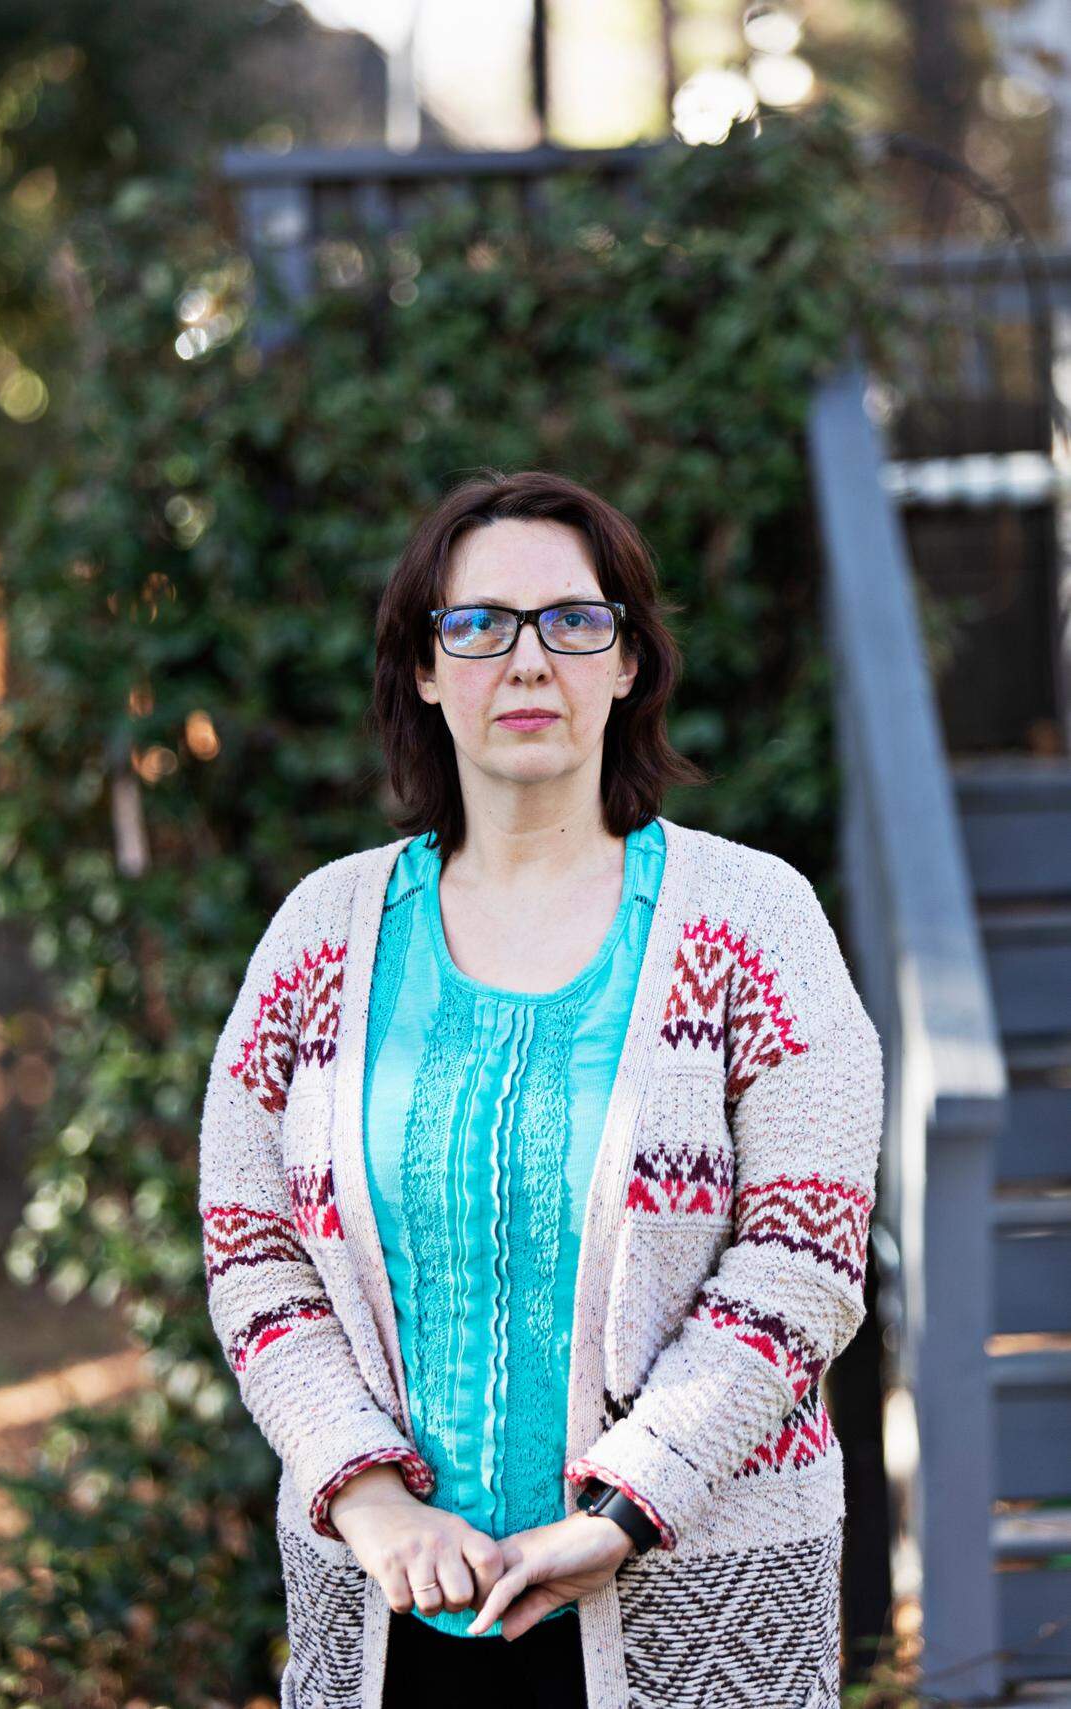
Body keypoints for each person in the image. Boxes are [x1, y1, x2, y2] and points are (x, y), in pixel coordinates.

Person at [198, 468, 884, 1709]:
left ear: (627, 663)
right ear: (423, 666)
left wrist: (627, 1506)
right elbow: (252, 1249)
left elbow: (805, 1256)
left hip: (695, 1599)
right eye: (477, 624)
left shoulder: (753, 921)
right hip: (383, 1617)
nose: (527, 661)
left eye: (574, 621)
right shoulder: (320, 936)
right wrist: (367, 1495)